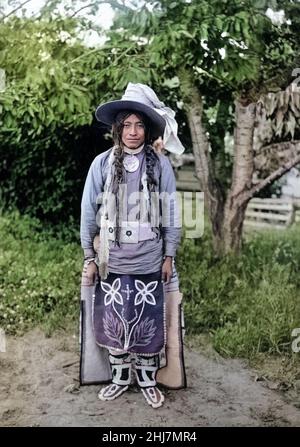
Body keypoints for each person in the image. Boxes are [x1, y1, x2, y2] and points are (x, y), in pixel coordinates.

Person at [80, 83, 185, 409]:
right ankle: (120, 378)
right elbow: (88, 210)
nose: (133, 132)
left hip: (150, 258)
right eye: (126, 125)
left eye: (139, 125)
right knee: (114, 317)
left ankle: (147, 380)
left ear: (147, 128)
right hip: (112, 259)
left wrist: (169, 254)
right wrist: (89, 256)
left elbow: (170, 211)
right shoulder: (101, 163)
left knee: (147, 319)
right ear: (117, 128)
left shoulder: (160, 165)